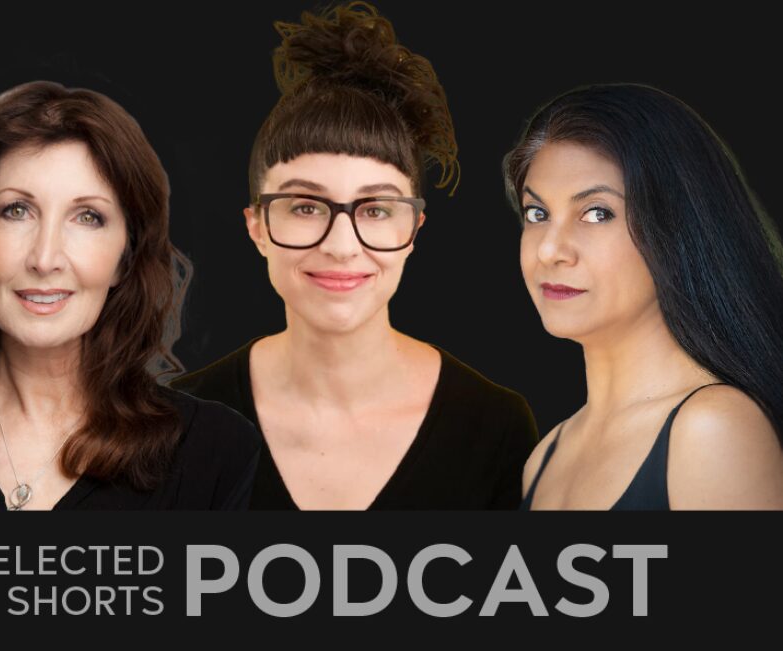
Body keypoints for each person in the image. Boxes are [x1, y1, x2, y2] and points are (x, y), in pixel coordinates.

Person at [170, 2, 538, 510]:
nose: (341, 246)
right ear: (256, 227)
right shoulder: (176, 422)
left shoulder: (496, 426)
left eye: (376, 210)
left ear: (414, 230)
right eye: (304, 206)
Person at [0, 81, 260, 510]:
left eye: (88, 216)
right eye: (16, 210)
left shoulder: (213, 454)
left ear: (125, 256)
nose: (45, 259)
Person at [506, 83, 783, 510]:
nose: (549, 250)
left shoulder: (713, 430)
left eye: (598, 213)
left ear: (676, 228)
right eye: (537, 214)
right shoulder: (545, 457)